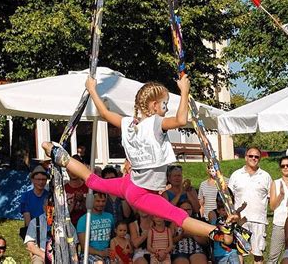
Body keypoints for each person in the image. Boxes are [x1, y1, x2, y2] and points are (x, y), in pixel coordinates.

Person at [42, 75, 237, 250]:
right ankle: (218, 234)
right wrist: (185, 91)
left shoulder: (129, 124)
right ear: (154, 106)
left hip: (129, 184)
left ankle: (57, 153)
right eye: (164, 104)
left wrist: (92, 89)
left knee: (93, 180)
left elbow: (105, 113)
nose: (166, 108)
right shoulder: (156, 123)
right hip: (140, 192)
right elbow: (181, 119)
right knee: (176, 215)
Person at [228, 147, 272, 264]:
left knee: (258, 255)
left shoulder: (266, 176)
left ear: (260, 158)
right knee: (239, 253)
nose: (254, 158)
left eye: (256, 156)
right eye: (251, 156)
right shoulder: (236, 175)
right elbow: (229, 198)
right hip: (240, 220)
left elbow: (271, 199)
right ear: (246, 157)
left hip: (259, 221)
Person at [24, 198, 78, 264]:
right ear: (44, 207)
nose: (51, 208)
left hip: (62, 255)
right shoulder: (35, 222)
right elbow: (30, 245)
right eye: (49, 205)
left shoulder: (66, 223)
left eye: (54, 206)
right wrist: (45, 256)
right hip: (41, 255)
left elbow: (74, 244)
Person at [267, 156, 288, 263]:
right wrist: (281, 195)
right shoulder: (275, 183)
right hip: (279, 223)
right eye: (283, 166)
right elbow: (272, 207)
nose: (285, 167)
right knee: (273, 257)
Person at [77, 192, 114, 263]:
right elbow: (84, 246)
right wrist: (100, 253)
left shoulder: (110, 217)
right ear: (91, 201)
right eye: (98, 201)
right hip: (90, 254)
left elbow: (113, 237)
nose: (101, 204)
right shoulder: (83, 219)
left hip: (107, 253)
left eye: (103, 201)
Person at [208, 194, 240, 264]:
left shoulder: (231, 221)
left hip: (232, 252)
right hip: (220, 254)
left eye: (227, 210)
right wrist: (227, 222)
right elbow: (219, 231)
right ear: (218, 211)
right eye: (223, 210)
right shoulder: (215, 222)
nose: (225, 212)